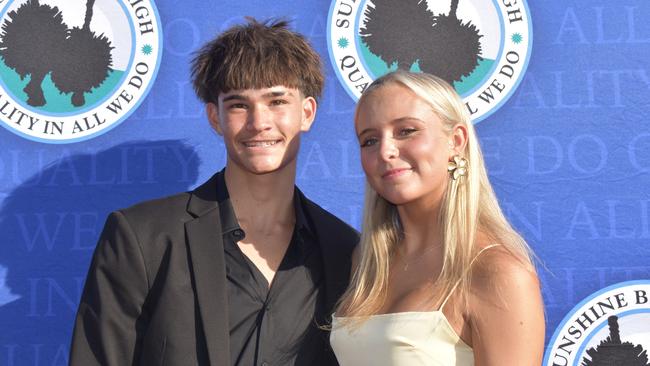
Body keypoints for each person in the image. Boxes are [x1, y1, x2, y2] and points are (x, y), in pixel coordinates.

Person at [69, 19, 358, 366]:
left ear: (306, 113)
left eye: (277, 101)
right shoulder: (143, 238)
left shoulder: (346, 251)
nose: (259, 122)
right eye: (239, 105)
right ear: (215, 118)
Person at [329, 71, 545, 365]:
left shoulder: (497, 273)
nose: (386, 151)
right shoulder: (365, 264)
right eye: (369, 140)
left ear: (456, 141)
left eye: (406, 131)